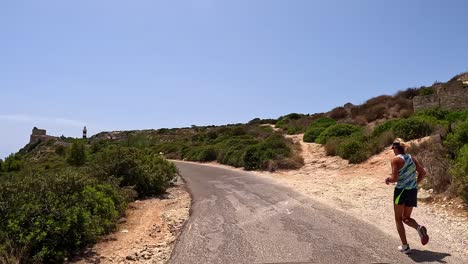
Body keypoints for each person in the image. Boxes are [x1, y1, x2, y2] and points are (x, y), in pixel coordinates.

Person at [385, 138, 429, 254]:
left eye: (393, 148)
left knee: (399, 219)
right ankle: (419, 228)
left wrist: (388, 180)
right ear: (403, 148)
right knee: (406, 218)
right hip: (412, 191)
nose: (393, 151)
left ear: (395, 148)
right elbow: (423, 173)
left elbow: (394, 178)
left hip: (401, 192)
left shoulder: (395, 160)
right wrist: (415, 184)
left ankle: (405, 247)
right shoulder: (411, 158)